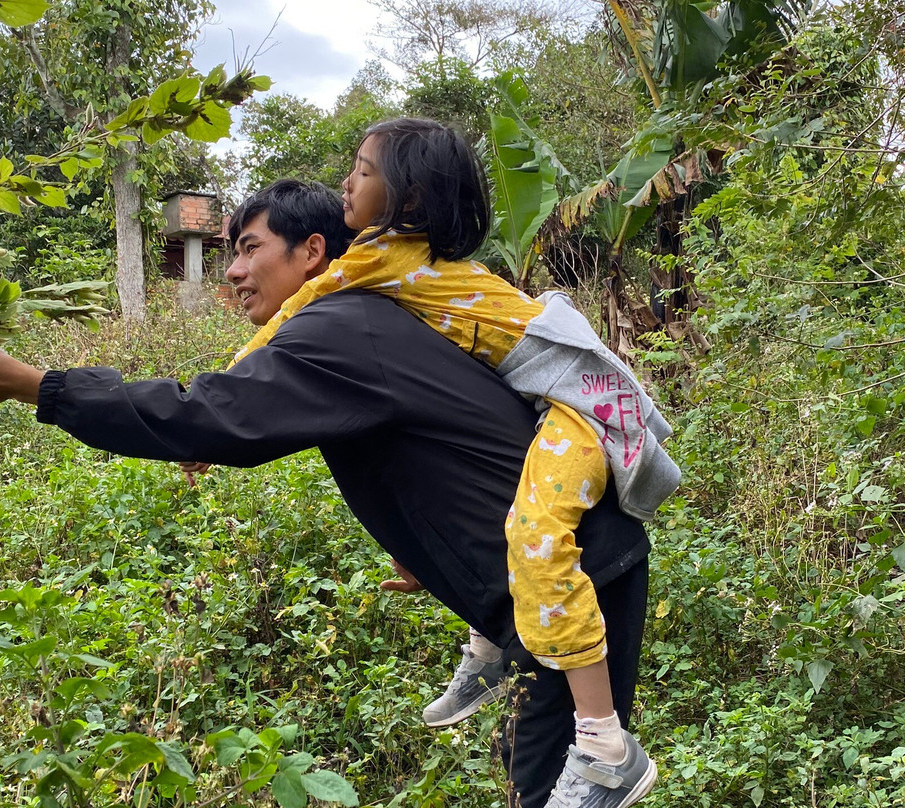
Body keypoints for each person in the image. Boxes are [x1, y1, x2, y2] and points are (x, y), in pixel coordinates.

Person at [0, 178, 653, 808]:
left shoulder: (339, 328)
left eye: (249, 248)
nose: (234, 271)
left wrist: (31, 384)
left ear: (313, 253)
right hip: (543, 586)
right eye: (231, 249)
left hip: (569, 579)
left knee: (558, 781)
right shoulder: (351, 321)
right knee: (534, 763)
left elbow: (205, 415)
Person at [225, 121, 679, 807]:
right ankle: (491, 653)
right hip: (542, 398)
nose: (346, 182)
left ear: (407, 194)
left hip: (576, 404)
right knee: (497, 502)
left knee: (535, 536)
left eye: (362, 169)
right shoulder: (398, 257)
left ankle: (605, 744)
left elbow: (290, 316)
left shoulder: (380, 260)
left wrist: (218, 398)